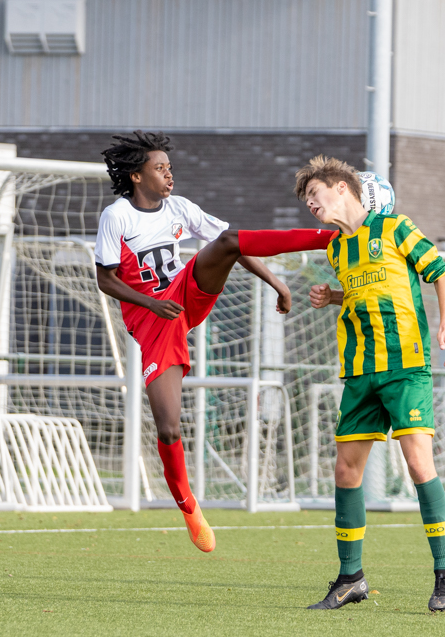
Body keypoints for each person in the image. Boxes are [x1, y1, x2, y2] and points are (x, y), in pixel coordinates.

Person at [95, 131, 336, 552]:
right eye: (159, 168)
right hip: (151, 321)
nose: (169, 175)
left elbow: (235, 245)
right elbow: (105, 280)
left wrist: (277, 284)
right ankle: (189, 508)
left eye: (170, 167)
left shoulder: (180, 209)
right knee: (169, 427)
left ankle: (328, 237)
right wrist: (150, 304)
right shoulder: (117, 217)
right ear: (136, 176)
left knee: (224, 239)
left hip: (186, 295)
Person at [298, 155, 445, 612]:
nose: (311, 204)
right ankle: (350, 578)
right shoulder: (336, 249)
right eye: (306, 199)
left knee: (417, 464)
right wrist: (332, 296)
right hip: (358, 371)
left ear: (342, 189)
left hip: (406, 366)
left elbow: (442, 274)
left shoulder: (395, 228)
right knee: (346, 471)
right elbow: (364, 291)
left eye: (315, 194)